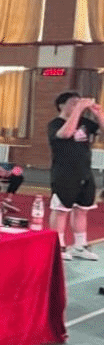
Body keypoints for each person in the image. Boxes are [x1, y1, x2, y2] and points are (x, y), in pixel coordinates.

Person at [48, 92, 102, 261]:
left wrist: (98, 113)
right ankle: (58, 246)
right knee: (61, 210)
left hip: (84, 172)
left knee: (82, 210)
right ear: (61, 106)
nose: (77, 105)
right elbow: (66, 134)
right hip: (64, 173)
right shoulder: (55, 124)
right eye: (73, 103)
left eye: (79, 103)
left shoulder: (85, 123)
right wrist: (78, 109)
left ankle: (80, 246)